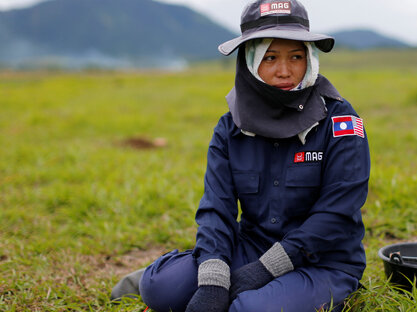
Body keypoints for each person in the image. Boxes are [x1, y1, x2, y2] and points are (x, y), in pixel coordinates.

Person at [111, 1, 370, 311]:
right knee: (161, 289)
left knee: (249, 308)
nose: (284, 71)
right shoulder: (230, 128)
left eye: (296, 57)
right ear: (249, 61)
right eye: (270, 57)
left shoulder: (339, 122)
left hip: (322, 260)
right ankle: (170, 274)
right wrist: (212, 281)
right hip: (251, 248)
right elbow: (215, 208)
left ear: (310, 59)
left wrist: (264, 271)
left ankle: (332, 293)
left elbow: (338, 212)